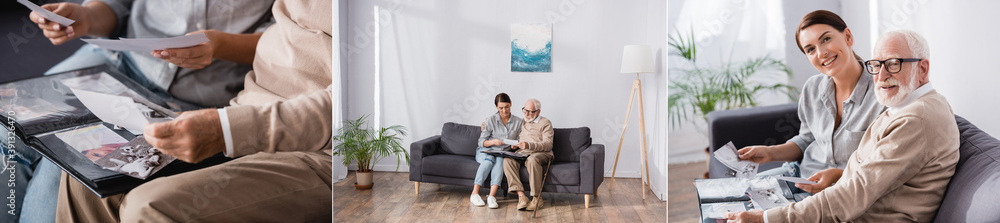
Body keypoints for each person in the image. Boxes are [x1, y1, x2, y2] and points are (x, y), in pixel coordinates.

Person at [55, 0, 332, 221]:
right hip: (247, 108)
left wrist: (226, 129)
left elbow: (359, 108)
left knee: (147, 207)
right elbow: (287, 37)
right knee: (89, 176)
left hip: (325, 147)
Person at [726, 29, 960, 222]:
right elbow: (860, 179)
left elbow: (853, 194)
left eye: (893, 63)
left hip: (855, 213)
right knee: (727, 205)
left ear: (922, 69)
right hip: (836, 201)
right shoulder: (904, 105)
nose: (881, 75)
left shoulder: (915, 118)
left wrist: (766, 219)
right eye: (877, 65)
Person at [736, 10, 885, 195]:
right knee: (734, 197)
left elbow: (882, 164)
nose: (822, 53)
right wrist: (770, 153)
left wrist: (840, 175)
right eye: (810, 49)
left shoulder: (882, 93)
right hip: (800, 176)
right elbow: (806, 140)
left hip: (847, 191)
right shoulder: (812, 88)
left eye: (826, 39)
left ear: (847, 37)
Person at [32, 0, 274, 107]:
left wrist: (220, 45)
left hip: (201, 96)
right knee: (10, 129)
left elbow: (292, 40)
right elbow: (121, 4)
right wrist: (88, 17)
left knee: (59, 172)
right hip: (119, 60)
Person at [471, 93, 523, 209]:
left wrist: (516, 146)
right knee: (489, 161)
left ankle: (492, 196)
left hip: (502, 152)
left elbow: (520, 139)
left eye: (507, 107)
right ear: (497, 107)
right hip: (486, 150)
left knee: (500, 163)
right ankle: (474, 194)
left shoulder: (518, 122)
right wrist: (494, 142)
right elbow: (481, 142)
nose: (504, 110)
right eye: (501, 108)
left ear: (511, 105)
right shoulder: (491, 120)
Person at [503, 98, 554, 211]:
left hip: (541, 153)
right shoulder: (522, 122)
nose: (526, 114)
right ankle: (522, 196)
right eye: (525, 110)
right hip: (523, 153)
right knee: (507, 160)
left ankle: (537, 198)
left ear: (538, 112)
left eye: (530, 112)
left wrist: (529, 145)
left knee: (532, 160)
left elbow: (548, 144)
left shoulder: (545, 123)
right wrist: (516, 145)